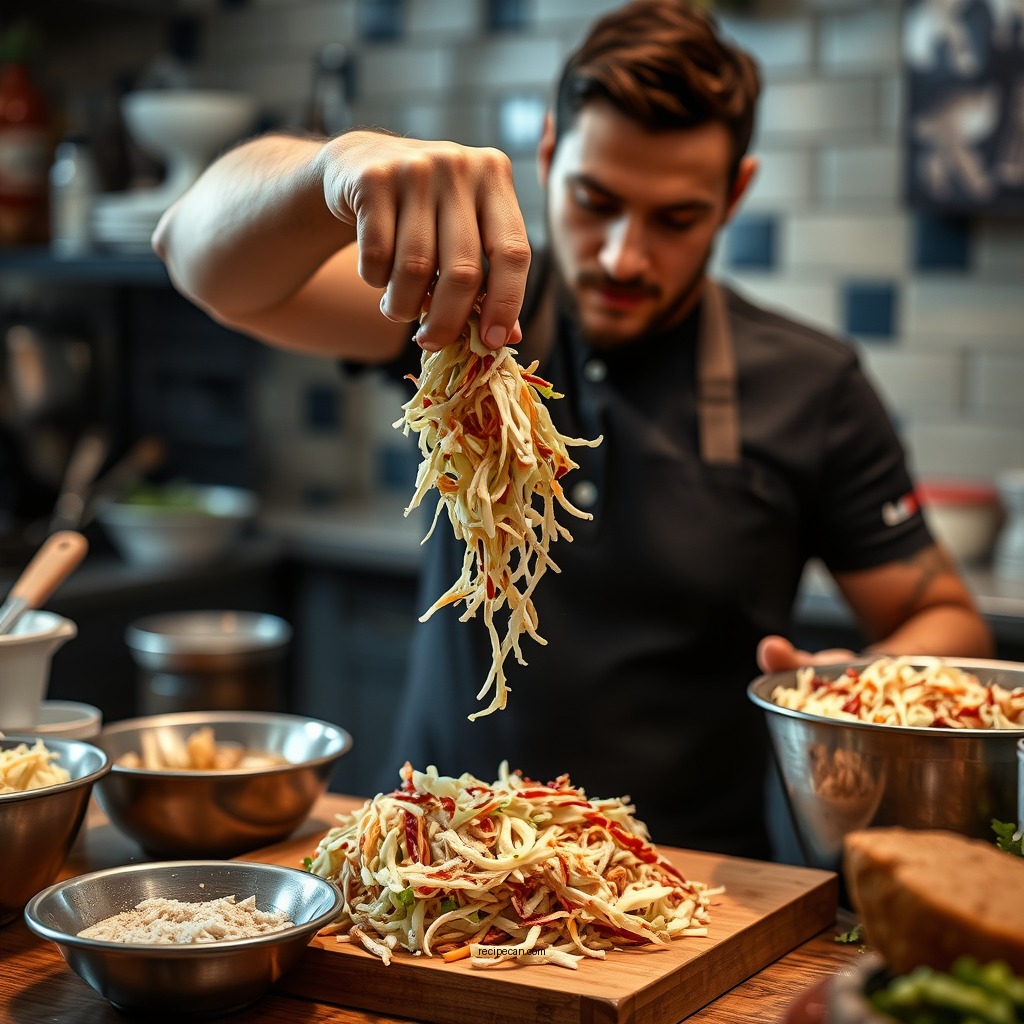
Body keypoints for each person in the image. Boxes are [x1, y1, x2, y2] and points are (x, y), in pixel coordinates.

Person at [153, 0, 993, 860]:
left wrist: (857, 685)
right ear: (549, 155)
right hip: (443, 863)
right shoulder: (461, 311)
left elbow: (945, 615)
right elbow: (192, 253)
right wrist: (335, 165)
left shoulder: (811, 385)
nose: (626, 257)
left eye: (675, 219)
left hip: (687, 895)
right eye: (596, 201)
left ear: (734, 195)